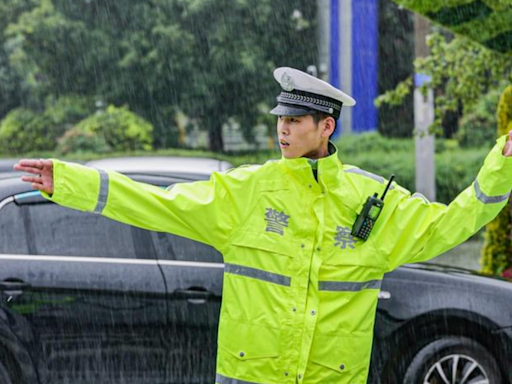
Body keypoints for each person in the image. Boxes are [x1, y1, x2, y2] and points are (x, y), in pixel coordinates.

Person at [14, 67, 512, 384]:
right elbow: (155, 203)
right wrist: (73, 183)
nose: (282, 128)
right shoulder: (249, 191)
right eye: (280, 118)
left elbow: (453, 222)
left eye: (295, 120)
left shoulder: (372, 203)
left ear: (326, 127)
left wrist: (500, 166)